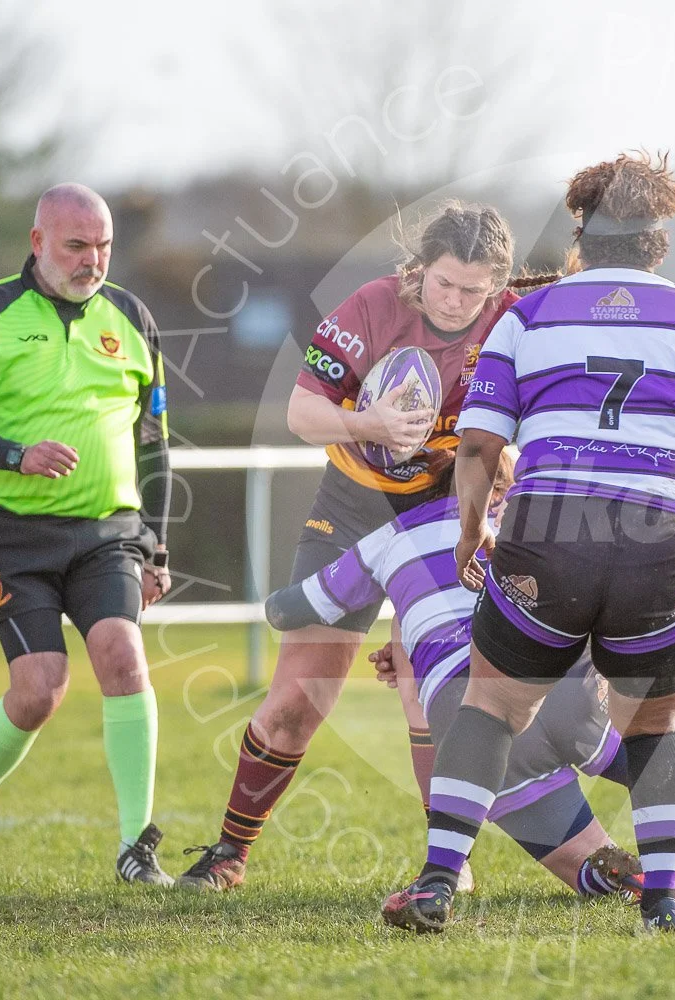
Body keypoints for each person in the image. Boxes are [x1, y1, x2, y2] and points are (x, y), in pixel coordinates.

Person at [381, 151, 675, 935]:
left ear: (580, 236)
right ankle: (664, 903)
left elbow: (476, 448)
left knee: (491, 707)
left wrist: (472, 532)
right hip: (667, 540)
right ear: (657, 242)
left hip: (548, 533)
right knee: (656, 724)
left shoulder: (526, 318)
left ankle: (434, 884)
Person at [253, 460, 675, 900]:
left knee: (573, 867)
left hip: (464, 713)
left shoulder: (390, 537)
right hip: (557, 690)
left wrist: (315, 586)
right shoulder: (535, 520)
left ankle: (614, 875)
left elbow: (295, 608)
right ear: (506, 485)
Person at [177, 202, 535, 891]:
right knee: (297, 700)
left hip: (441, 517)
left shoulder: (515, 320)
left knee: (429, 691)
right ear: (419, 268)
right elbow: (300, 412)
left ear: (497, 285)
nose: (457, 303)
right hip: (351, 512)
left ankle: (445, 867)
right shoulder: (373, 305)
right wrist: (367, 421)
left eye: (474, 290)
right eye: (444, 284)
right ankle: (229, 853)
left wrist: (508, 459)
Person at [0, 183, 174, 886]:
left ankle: (136, 847)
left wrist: (155, 544)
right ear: (38, 242)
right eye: (76, 245)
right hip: (10, 534)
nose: (92, 259)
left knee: (122, 655)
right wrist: (17, 455)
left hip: (108, 534)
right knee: (40, 688)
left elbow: (154, 442)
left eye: (102, 246)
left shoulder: (131, 316)